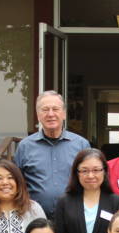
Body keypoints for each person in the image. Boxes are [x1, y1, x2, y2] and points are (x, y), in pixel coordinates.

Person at [14, 90, 90, 219]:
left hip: (74, 219)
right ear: (38, 115)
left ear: (64, 114)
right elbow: (17, 184)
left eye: (55, 109)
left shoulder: (81, 145)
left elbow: (90, 182)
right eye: (45, 109)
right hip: (35, 220)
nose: (51, 114)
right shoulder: (25, 147)